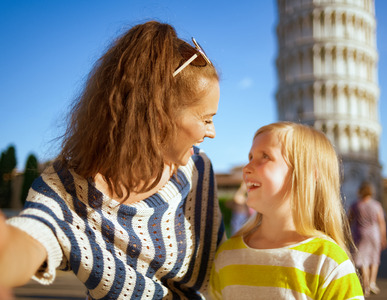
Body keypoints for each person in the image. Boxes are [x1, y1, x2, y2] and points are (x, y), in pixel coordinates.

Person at [0, 20, 225, 299]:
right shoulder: (66, 191)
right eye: (206, 119)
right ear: (159, 115)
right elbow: (29, 240)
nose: (212, 132)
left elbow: (220, 272)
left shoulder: (198, 171)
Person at [209, 122, 364, 299]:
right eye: (250, 157)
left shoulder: (327, 261)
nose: (246, 168)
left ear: (307, 175)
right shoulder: (227, 255)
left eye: (265, 156)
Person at [348, 182, 387, 297]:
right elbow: (381, 222)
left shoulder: (355, 205)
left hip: (360, 234)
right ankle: (372, 282)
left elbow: (348, 220)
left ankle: (365, 286)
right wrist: (384, 237)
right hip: (374, 234)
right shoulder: (376, 205)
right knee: (374, 258)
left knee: (362, 260)